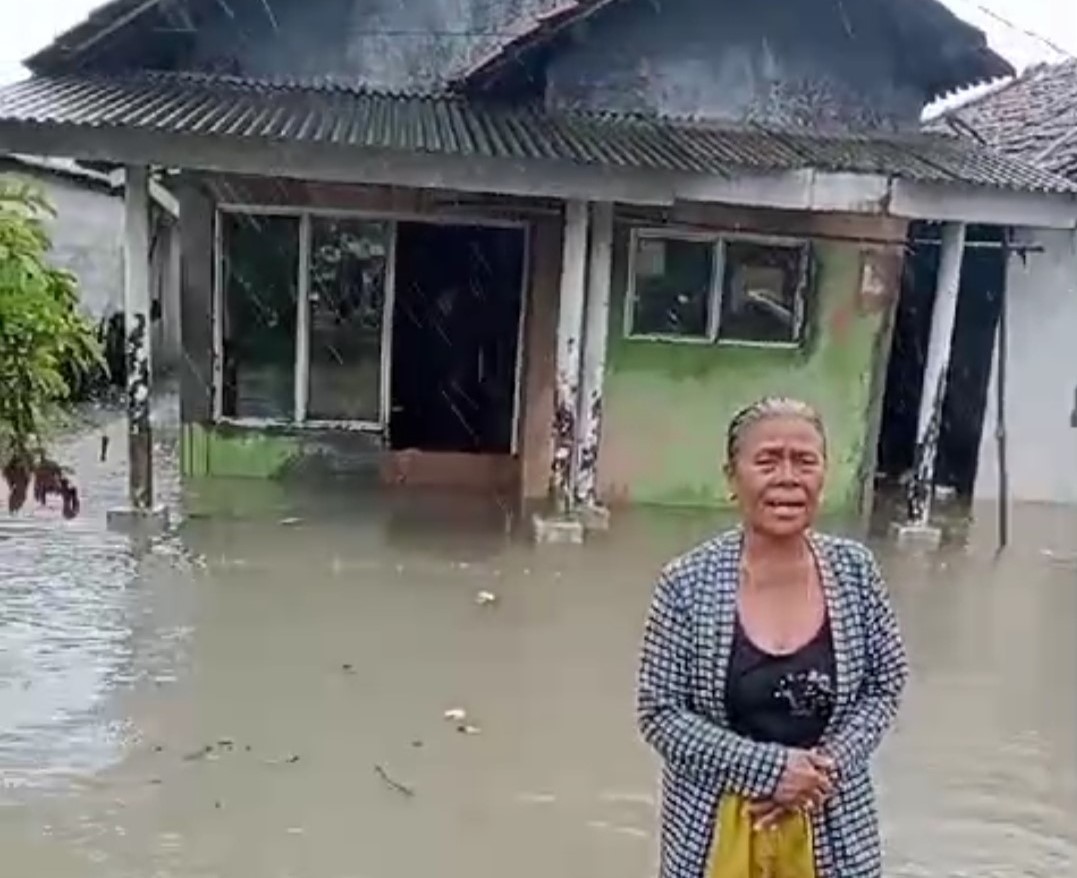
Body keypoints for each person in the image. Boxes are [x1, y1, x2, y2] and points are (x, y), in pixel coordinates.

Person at [636, 397, 908, 878]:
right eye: (767, 461)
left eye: (805, 461)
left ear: (824, 474)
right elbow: (660, 715)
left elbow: (885, 685)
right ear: (731, 477)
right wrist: (771, 772)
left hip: (834, 822)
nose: (787, 478)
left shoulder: (856, 572)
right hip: (711, 827)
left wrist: (817, 776)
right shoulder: (686, 583)